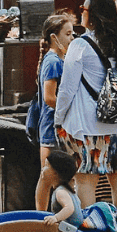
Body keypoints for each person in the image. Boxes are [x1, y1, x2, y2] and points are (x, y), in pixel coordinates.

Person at [54, 0, 117, 232]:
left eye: (83, 9)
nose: (80, 11)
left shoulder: (80, 46)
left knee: (86, 180)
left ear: (93, 16)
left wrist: (59, 118)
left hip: (89, 125)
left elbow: (67, 89)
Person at [34, 12, 76, 211]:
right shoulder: (52, 62)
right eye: (67, 34)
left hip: (61, 126)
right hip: (52, 127)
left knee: (62, 177)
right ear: (54, 37)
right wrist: (71, 108)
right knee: (47, 175)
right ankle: (40, 216)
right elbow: (49, 97)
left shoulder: (61, 60)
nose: (71, 38)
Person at [41, 150, 84, 228]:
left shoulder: (60, 192)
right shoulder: (66, 190)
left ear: (56, 173)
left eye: (46, 166)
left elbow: (70, 208)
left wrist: (55, 218)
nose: (43, 169)